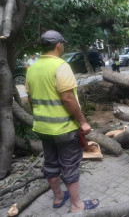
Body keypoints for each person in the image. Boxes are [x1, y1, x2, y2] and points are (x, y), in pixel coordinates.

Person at [25, 30, 99, 213]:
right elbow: (67, 98)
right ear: (58, 45)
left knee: (51, 164)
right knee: (70, 165)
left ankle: (58, 198)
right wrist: (83, 122)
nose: (63, 46)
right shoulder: (61, 66)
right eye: (63, 44)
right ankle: (77, 206)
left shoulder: (32, 69)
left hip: (43, 128)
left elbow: (32, 99)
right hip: (64, 128)